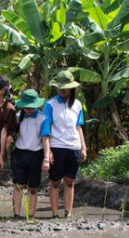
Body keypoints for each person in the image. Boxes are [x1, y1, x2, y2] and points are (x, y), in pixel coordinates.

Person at [43, 70, 87, 218]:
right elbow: (46, 130)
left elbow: (78, 127)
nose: (63, 89)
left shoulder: (78, 105)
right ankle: (55, 214)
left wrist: (83, 147)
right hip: (57, 147)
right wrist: (48, 152)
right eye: (60, 86)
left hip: (74, 146)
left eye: (66, 86)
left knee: (69, 181)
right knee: (55, 181)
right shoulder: (50, 104)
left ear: (71, 88)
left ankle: (68, 213)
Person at [8, 89, 50, 218]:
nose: (29, 110)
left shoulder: (43, 118)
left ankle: (30, 215)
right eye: (26, 108)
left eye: (31, 108)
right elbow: (10, 130)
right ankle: (16, 214)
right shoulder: (17, 116)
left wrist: (46, 158)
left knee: (33, 187)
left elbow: (45, 138)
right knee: (18, 185)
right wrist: (9, 136)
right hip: (19, 153)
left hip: (36, 155)